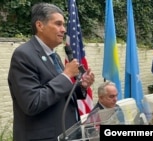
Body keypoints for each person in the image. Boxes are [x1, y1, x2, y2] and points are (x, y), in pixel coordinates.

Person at [7, 2, 95, 141]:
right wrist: (66, 76)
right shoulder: (24, 55)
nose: (64, 29)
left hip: (66, 134)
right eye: (58, 24)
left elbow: (60, 95)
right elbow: (32, 103)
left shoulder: (54, 56)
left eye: (64, 25)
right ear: (40, 25)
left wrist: (82, 86)